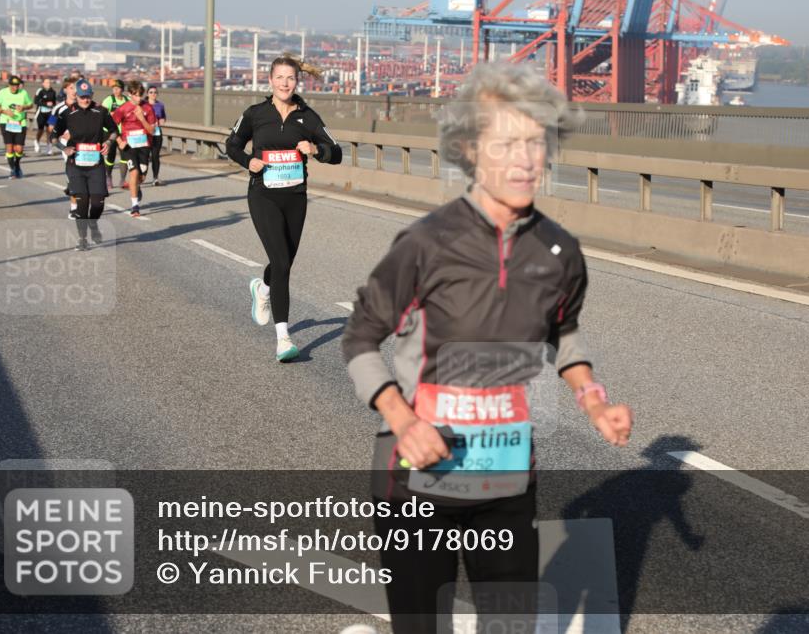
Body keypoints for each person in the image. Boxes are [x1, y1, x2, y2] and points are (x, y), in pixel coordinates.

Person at [341, 62, 634, 634]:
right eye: (507, 143)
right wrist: (402, 420)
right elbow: (360, 338)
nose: (525, 160)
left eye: (536, 142)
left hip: (505, 479)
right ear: (471, 150)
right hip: (416, 479)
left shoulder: (559, 251)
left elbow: (563, 331)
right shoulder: (427, 243)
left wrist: (594, 400)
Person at [225, 54, 342, 362]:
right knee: (282, 263)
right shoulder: (255, 113)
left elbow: (338, 152)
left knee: (284, 262)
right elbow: (232, 144)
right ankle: (283, 338)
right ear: (270, 80)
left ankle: (262, 289)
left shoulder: (308, 117)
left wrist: (316, 149)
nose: (285, 83)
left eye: (290, 78)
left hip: (295, 197)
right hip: (263, 194)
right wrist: (246, 161)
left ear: (296, 81)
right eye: (280, 78)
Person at [53, 79, 118, 251]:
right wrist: (64, 148)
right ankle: (82, 239)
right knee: (82, 203)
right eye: (82, 97)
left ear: (92, 95)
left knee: (97, 203)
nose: (85, 100)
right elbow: (53, 137)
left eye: (87, 96)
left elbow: (114, 131)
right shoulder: (67, 113)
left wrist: (109, 143)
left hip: (95, 163)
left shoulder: (101, 111)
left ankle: (93, 224)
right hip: (76, 164)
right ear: (77, 97)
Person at [110, 80, 156, 217]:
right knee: (134, 172)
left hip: (144, 145)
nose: (138, 99)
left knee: (141, 176)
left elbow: (152, 131)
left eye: (140, 96)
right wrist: (119, 141)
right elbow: (111, 127)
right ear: (129, 94)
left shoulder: (148, 108)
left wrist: (142, 118)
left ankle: (137, 185)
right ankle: (135, 206)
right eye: (135, 95)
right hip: (128, 146)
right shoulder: (122, 109)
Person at [0, 76, 33, 179]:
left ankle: (17, 164)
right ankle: (12, 170)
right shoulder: (3, 92)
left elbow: (31, 104)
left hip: (20, 123)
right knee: (9, 148)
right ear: (9, 85)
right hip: (6, 122)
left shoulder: (23, 93)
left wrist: (24, 107)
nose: (15, 87)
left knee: (19, 149)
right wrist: (4, 111)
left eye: (17, 85)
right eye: (13, 85)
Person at [49, 77, 79, 218]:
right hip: (67, 146)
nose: (74, 91)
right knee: (73, 176)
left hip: (84, 144)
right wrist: (61, 134)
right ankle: (74, 208)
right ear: (65, 89)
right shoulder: (58, 108)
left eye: (76, 88)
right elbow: (50, 127)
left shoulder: (84, 105)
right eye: (71, 88)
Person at [100, 79, 128, 190]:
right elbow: (102, 114)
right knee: (110, 156)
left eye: (118, 88)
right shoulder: (109, 100)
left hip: (123, 132)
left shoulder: (127, 100)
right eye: (114, 88)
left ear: (122, 89)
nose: (115, 90)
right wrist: (111, 114)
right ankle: (108, 177)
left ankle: (122, 179)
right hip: (110, 132)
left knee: (124, 156)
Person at [146, 86, 167, 185]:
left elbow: (163, 118)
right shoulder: (143, 104)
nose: (153, 94)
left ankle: (155, 178)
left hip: (157, 133)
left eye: (155, 92)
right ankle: (141, 176)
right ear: (147, 94)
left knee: (155, 156)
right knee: (144, 156)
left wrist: (161, 121)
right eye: (151, 92)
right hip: (145, 134)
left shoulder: (160, 105)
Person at [33, 77, 57, 154]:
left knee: (49, 130)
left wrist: (53, 105)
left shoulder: (53, 92)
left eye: (49, 82)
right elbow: (36, 101)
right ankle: (36, 141)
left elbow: (54, 102)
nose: (48, 84)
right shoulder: (40, 91)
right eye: (47, 82)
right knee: (41, 130)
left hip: (50, 113)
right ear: (43, 84)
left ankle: (49, 148)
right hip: (41, 113)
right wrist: (46, 104)